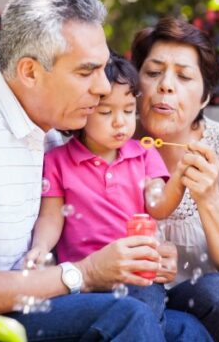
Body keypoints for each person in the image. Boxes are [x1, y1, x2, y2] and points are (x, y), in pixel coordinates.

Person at [0, 0, 212, 341]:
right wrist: (84, 272)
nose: (101, 88)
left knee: (188, 329)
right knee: (126, 316)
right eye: (86, 72)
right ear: (30, 72)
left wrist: (148, 257)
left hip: (41, 298)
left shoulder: (55, 128)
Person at [131, 16, 219, 342]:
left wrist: (209, 197)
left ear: (206, 97)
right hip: (140, 299)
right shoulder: (113, 145)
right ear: (135, 83)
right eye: (153, 73)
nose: (166, 84)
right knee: (218, 298)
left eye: (183, 76)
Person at [28, 51, 186, 330]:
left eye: (127, 110)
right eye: (106, 112)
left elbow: (158, 204)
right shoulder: (57, 161)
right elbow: (51, 217)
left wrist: (181, 177)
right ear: (84, 110)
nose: (120, 122)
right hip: (85, 278)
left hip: (135, 273)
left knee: (144, 302)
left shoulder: (144, 154)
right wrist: (40, 247)